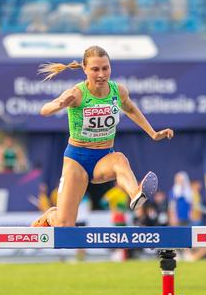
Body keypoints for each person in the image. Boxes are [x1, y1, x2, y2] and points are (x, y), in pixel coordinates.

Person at [30, 45, 173, 227]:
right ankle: (52, 215)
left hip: (103, 158)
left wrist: (153, 133)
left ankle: (136, 194)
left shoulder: (117, 91)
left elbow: (130, 108)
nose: (101, 74)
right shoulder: (77, 93)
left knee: (120, 160)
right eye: (95, 69)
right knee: (64, 226)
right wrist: (59, 105)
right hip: (77, 160)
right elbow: (44, 110)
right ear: (85, 69)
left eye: (105, 68)